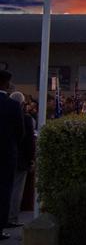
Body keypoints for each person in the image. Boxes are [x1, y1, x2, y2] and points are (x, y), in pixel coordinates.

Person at [0, 70, 24, 241]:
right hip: (5, 154)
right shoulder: (13, 105)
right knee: (3, 191)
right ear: (6, 84)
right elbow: (20, 132)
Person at [7, 92, 34, 228]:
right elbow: (28, 141)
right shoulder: (26, 119)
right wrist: (31, 159)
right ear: (23, 104)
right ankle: (11, 218)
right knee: (16, 189)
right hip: (20, 158)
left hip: (6, 156)